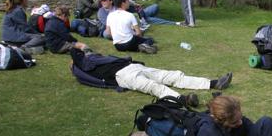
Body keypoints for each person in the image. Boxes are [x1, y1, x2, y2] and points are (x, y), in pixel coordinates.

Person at [70, 48, 233, 101]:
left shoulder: (96, 58)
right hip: (124, 77)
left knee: (172, 75)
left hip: (131, 67)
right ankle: (183, 100)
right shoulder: (81, 68)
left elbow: (85, 50)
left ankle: (213, 83)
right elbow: (90, 79)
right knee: (154, 87)